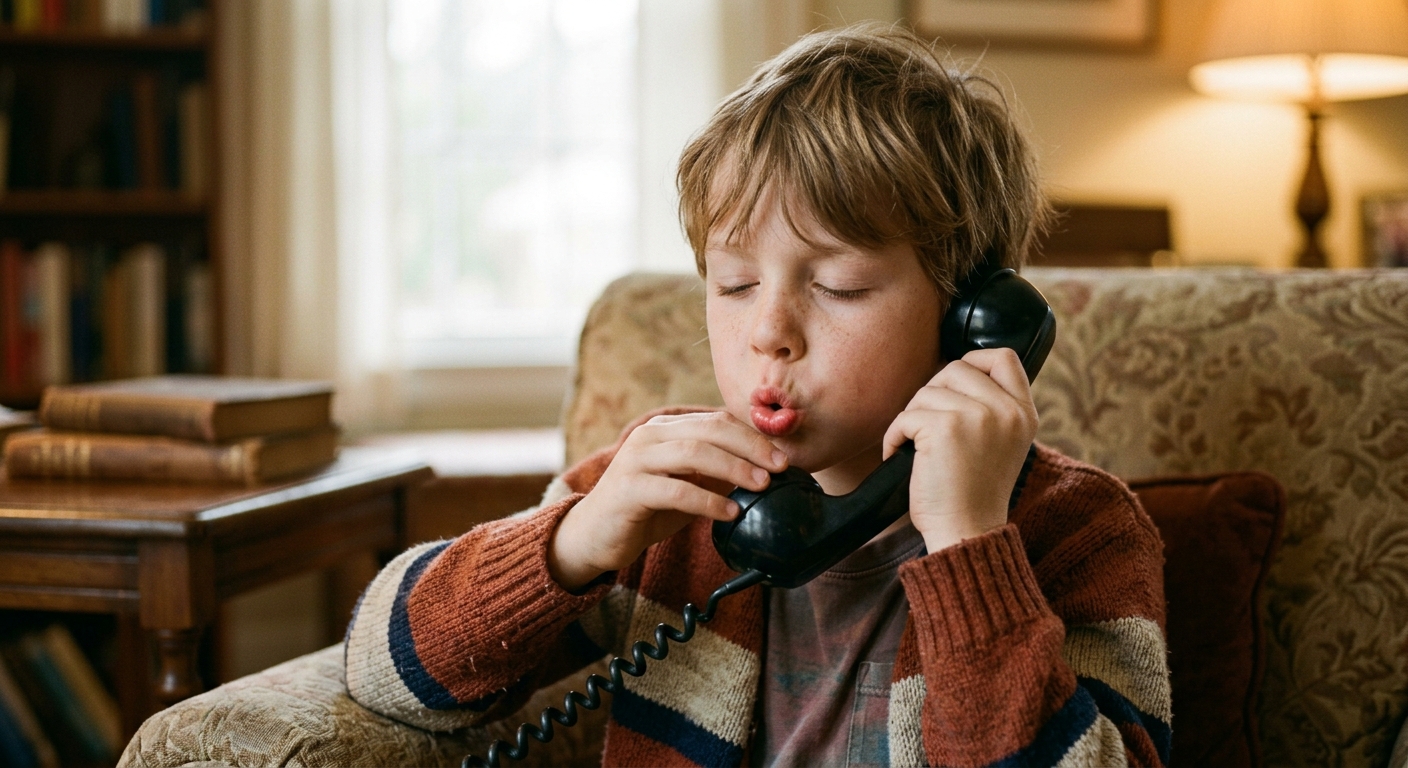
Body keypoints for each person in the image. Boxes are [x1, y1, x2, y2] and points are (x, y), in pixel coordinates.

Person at [345, 23, 1170, 768]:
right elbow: (381, 672)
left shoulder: (1082, 534)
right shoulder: (663, 495)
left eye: (840, 286)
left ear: (971, 321)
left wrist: (967, 550)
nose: (768, 330)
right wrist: (572, 544)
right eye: (735, 282)